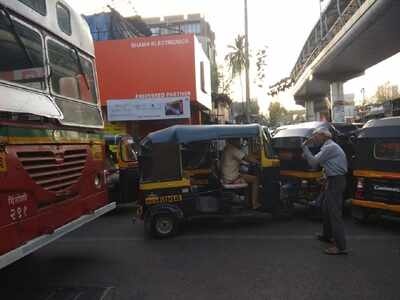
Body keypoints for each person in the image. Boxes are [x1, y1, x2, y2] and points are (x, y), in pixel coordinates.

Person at [302, 128, 348, 255]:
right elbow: (323, 162)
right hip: (332, 180)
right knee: (326, 209)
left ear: (323, 136)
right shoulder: (328, 147)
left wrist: (305, 147)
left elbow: (313, 163)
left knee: (334, 213)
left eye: (315, 136)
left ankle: (340, 246)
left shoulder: (330, 147)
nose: (313, 138)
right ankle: (327, 235)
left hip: (336, 181)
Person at [221, 138, 261, 209]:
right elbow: (247, 158)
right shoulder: (232, 149)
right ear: (233, 140)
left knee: (247, 178)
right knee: (255, 179)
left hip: (227, 176)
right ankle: (255, 204)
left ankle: (247, 202)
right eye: (238, 140)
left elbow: (241, 159)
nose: (240, 142)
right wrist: (258, 162)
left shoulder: (227, 148)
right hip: (232, 178)